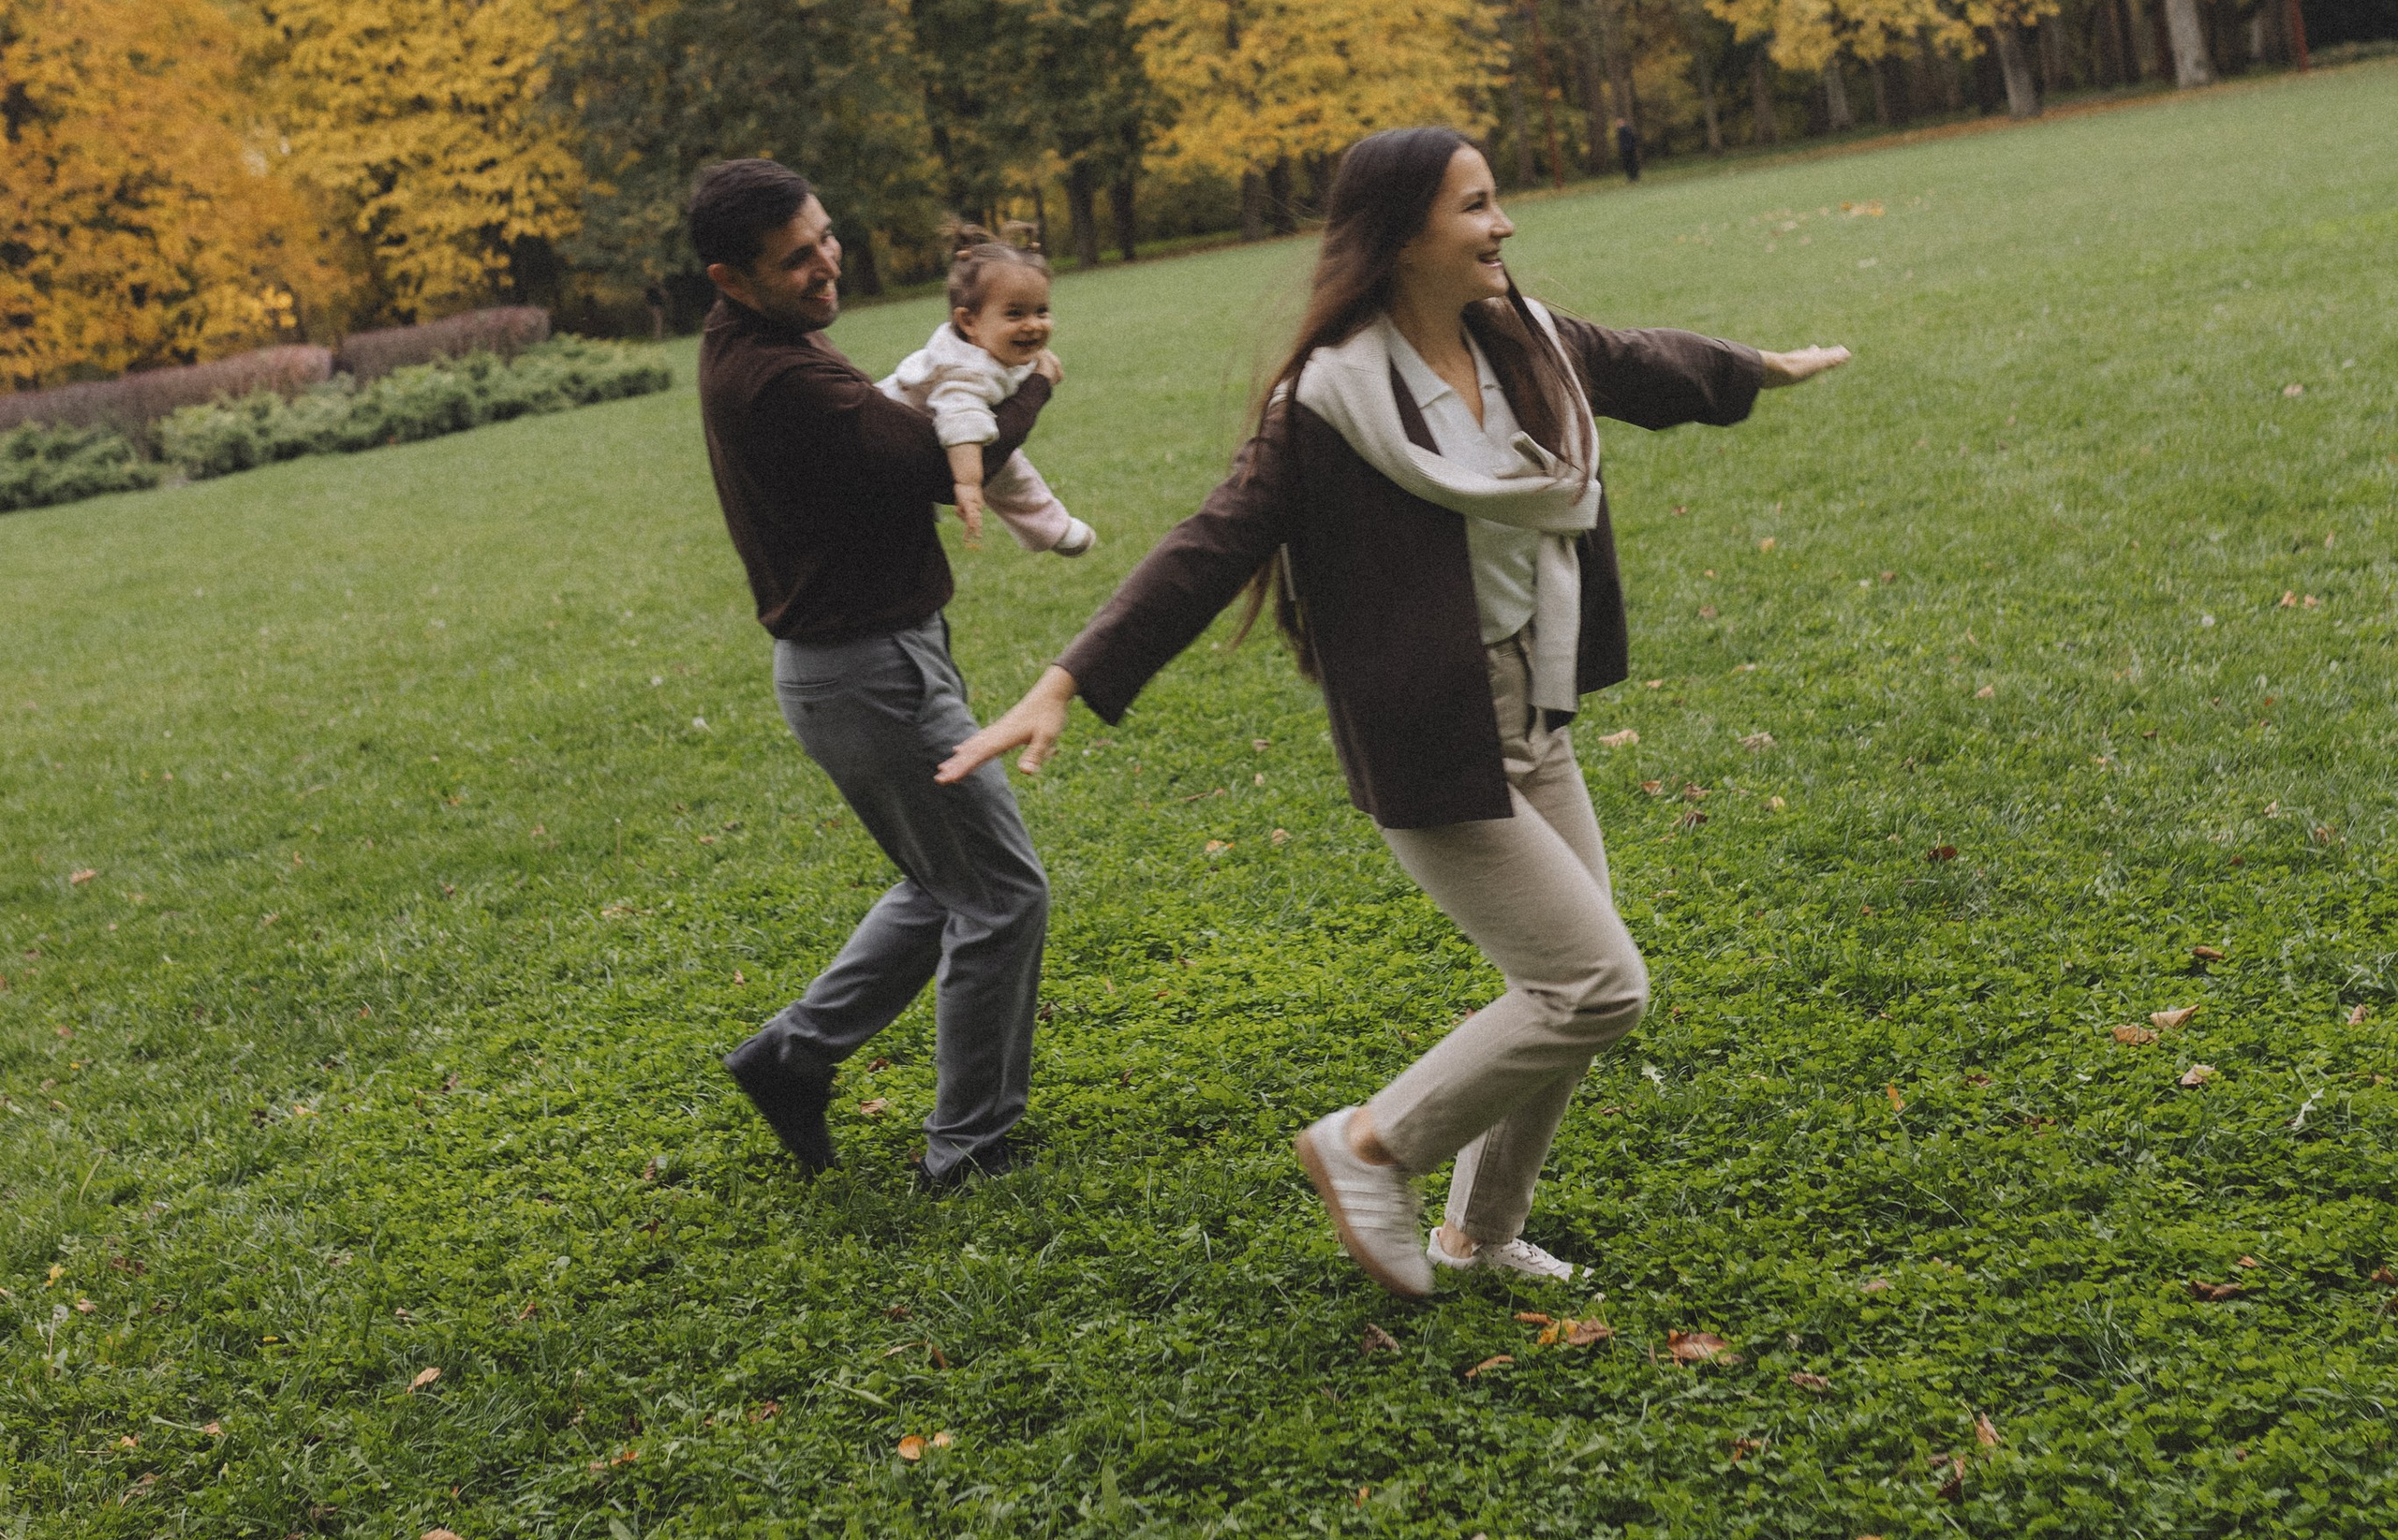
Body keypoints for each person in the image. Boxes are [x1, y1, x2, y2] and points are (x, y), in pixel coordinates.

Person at [940, 127, 1847, 1296]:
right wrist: (1069, 679)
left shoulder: (1525, 344)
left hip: (1535, 708)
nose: (1502, 225)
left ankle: (1473, 1238)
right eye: (1476, 205)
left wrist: (1757, 369)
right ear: (1403, 234)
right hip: (1432, 733)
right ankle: (1369, 1146)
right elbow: (1214, 543)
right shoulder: (1333, 398)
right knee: (1595, 988)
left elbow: (1639, 360)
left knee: (1560, 994)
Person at [689, 155, 1061, 1196]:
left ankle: (792, 1058)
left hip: (865, 661)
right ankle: (969, 1146)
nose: (822, 265)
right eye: (793, 259)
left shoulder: (763, 339)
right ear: (728, 277)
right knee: (1000, 895)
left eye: (823, 238)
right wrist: (1023, 385)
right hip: (867, 671)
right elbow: (925, 463)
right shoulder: (777, 375)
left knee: (946, 882)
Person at [878, 239, 1098, 555]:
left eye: (1042, 311)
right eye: (1014, 314)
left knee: (1003, 453)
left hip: (908, 455)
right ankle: (1055, 528)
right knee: (1001, 460)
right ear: (969, 322)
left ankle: (1054, 527)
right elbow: (962, 425)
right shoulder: (966, 373)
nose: (1033, 325)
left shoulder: (994, 350)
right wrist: (968, 485)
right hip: (885, 454)